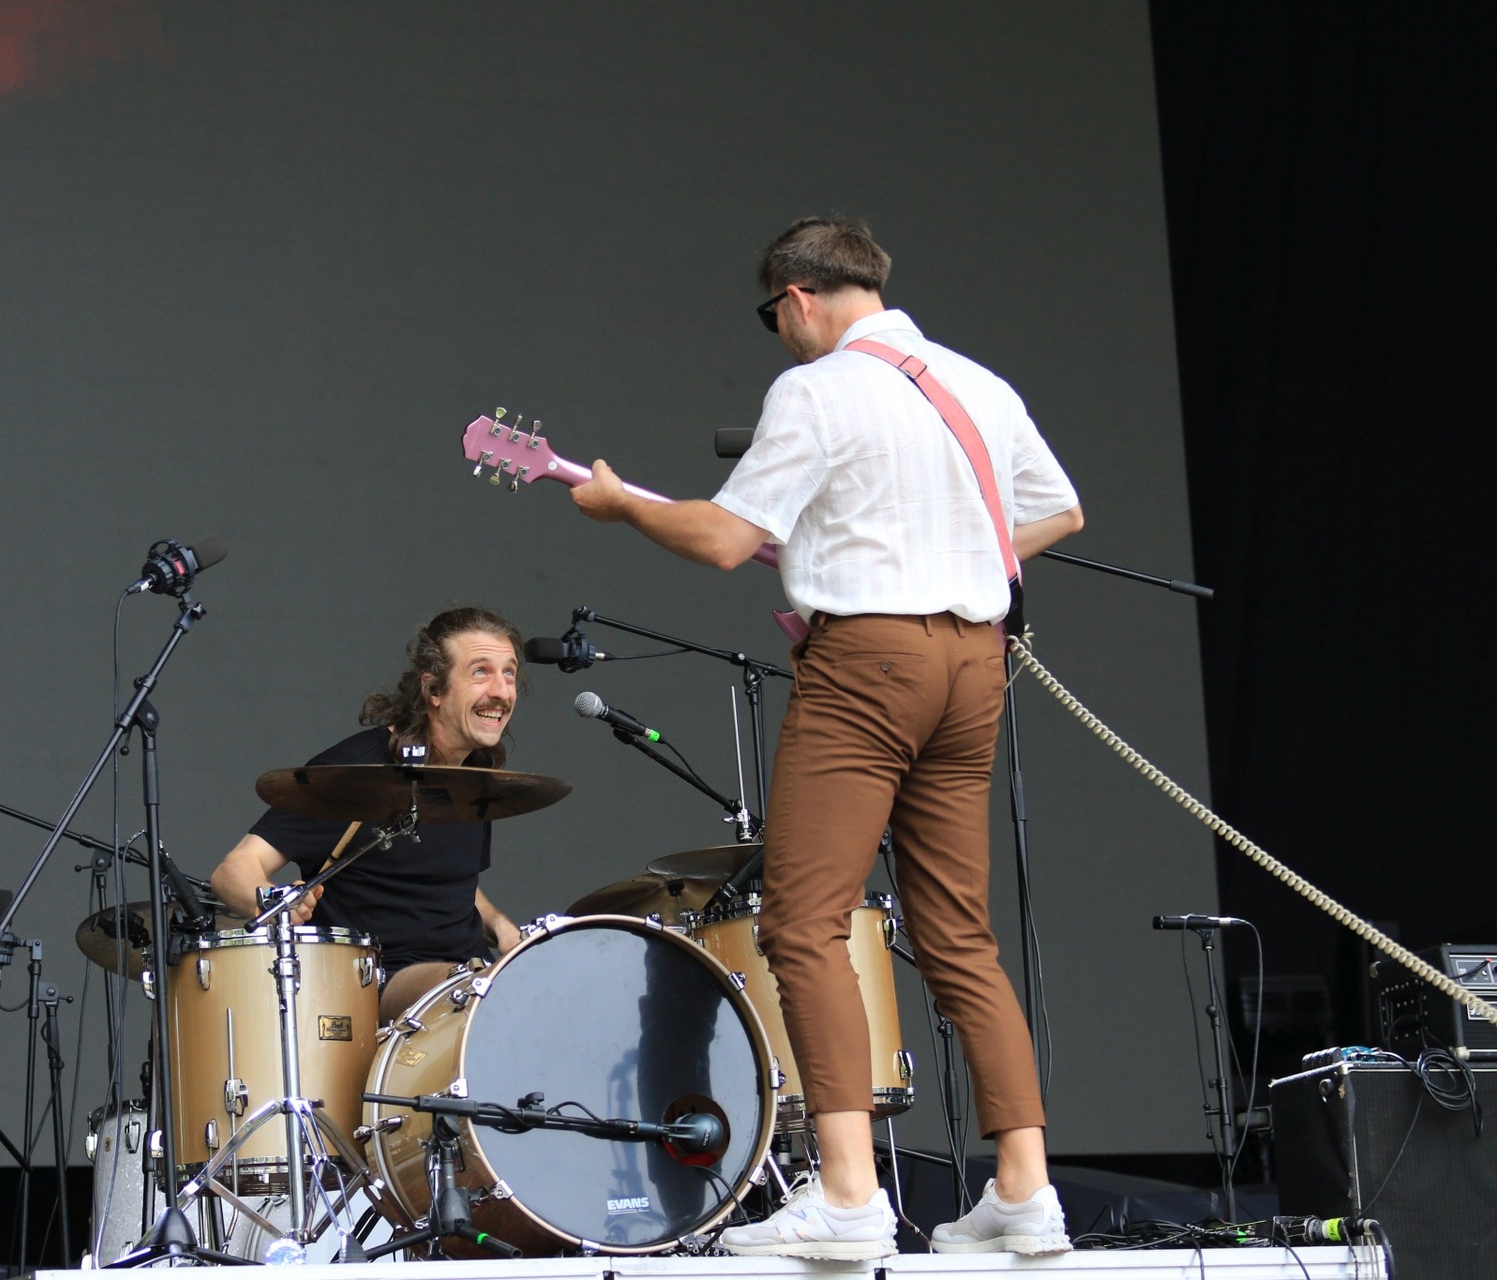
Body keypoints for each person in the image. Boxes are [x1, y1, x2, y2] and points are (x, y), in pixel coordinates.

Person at [569, 217, 1085, 1262]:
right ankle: (1027, 1190)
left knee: (803, 924)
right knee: (961, 935)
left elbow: (726, 539)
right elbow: (1059, 512)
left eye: (773, 317)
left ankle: (849, 1194)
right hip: (973, 664)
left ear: (798, 298)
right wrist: (939, 550)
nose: (779, 335)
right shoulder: (977, 384)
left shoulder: (817, 388)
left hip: (869, 664)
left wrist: (623, 507)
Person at [209, 606, 526, 1022]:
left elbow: (451, 885)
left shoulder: (475, 773)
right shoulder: (355, 772)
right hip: (382, 986)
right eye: (481, 672)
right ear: (434, 689)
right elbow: (233, 870)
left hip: (473, 977)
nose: (502, 691)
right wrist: (276, 903)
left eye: (509, 673)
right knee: (473, 993)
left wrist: (498, 924)